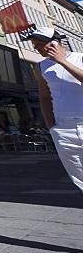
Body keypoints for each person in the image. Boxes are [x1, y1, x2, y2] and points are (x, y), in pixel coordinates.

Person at [26, 26, 83, 193]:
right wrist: (52, 127)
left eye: (39, 43)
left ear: (54, 42)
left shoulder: (79, 58)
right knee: (78, 175)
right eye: (34, 44)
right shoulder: (41, 67)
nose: (35, 47)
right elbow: (44, 96)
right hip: (63, 128)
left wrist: (62, 61)